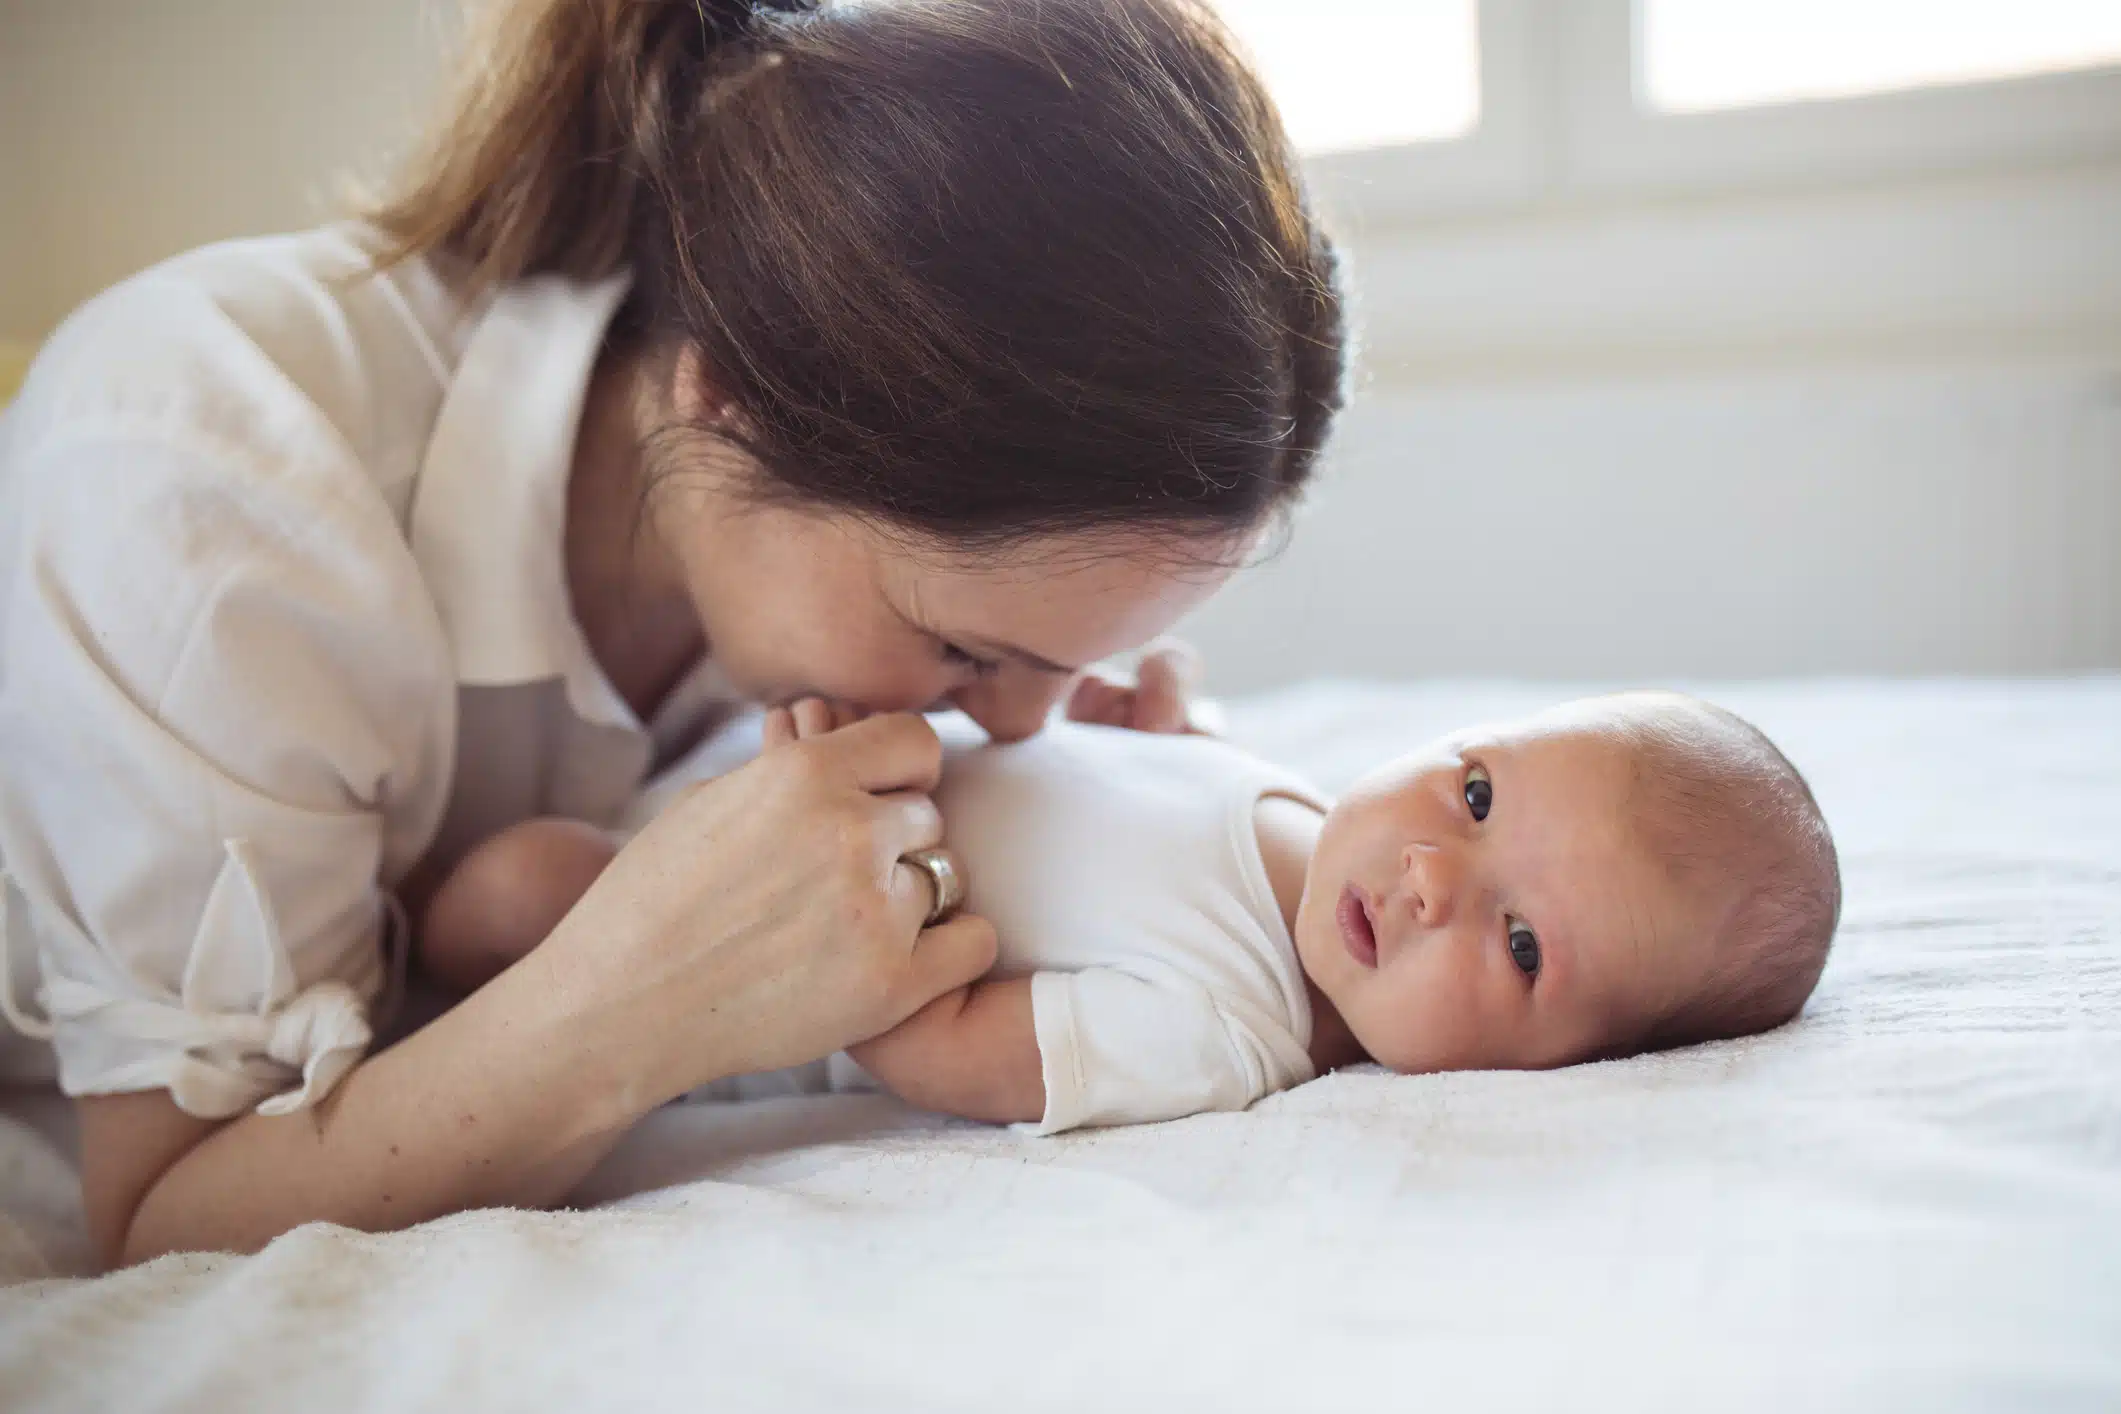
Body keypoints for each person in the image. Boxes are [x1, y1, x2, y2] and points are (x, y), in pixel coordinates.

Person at [0, 0, 1346, 1265]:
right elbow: (160, 1220)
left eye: (1072, 658)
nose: (1007, 717)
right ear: (722, 408)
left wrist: (1079, 830)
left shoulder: (786, 564)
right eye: (969, 650)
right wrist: (635, 1002)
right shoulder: (211, 495)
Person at [425, 692, 1841, 1130]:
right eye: (1477, 795)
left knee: (514, 887)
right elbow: (1125, 795)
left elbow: (949, 1043)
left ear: (1562, 1073)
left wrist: (826, 851)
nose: (1429, 879)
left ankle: (386, 1000)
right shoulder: (1289, 805)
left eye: (1522, 945)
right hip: (775, 782)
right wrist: (1133, 718)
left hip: (736, 944)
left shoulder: (1223, 1034)